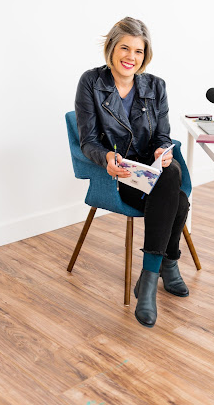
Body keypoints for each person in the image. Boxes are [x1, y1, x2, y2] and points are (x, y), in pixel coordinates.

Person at [75, 17, 190, 328]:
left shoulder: (156, 86)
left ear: (145, 54)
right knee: (177, 200)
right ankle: (167, 265)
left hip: (151, 171)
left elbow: (163, 136)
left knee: (170, 172)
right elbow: (87, 141)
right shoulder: (91, 83)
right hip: (121, 175)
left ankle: (149, 280)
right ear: (112, 48)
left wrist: (159, 152)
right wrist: (107, 157)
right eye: (124, 48)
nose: (131, 57)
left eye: (138, 51)